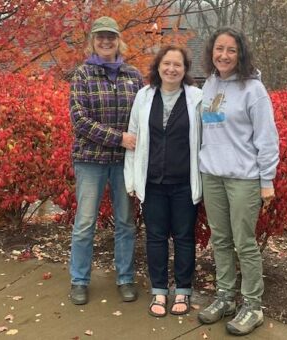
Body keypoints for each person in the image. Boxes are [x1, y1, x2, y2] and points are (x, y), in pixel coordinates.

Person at [196, 27, 279, 336]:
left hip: (244, 177)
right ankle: (225, 297)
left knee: (244, 242)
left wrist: (266, 179)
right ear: (211, 52)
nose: (224, 55)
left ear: (240, 53)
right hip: (212, 174)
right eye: (219, 49)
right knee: (220, 239)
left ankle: (253, 306)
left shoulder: (253, 89)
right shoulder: (209, 84)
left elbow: (267, 138)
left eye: (231, 50)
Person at [68, 16, 143, 306]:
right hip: (90, 161)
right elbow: (80, 120)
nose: (106, 41)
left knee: (125, 222)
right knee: (85, 222)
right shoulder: (82, 75)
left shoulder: (133, 76)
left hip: (124, 163)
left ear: (119, 40)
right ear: (93, 41)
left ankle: (125, 278)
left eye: (111, 36)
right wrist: (119, 138)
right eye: (100, 37)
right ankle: (79, 280)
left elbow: (142, 117)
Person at [124, 46, 202, 317]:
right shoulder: (144, 97)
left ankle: (183, 290)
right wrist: (132, 178)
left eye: (177, 65)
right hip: (153, 182)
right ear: (158, 67)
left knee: (184, 237)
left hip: (184, 182)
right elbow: (132, 138)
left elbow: (206, 139)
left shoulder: (197, 98)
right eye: (166, 64)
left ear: (185, 69)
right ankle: (159, 290)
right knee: (155, 238)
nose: (171, 69)